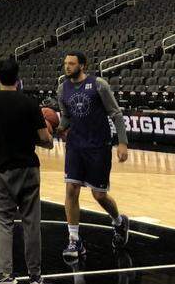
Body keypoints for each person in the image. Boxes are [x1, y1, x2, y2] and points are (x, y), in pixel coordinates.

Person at [0, 59, 53, 284]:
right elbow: (45, 139)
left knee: (3, 223)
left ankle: (6, 276)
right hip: (29, 169)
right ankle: (35, 276)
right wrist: (49, 138)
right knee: (32, 223)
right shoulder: (30, 103)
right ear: (18, 78)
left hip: (2, 171)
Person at [56, 51, 130, 260]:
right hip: (75, 146)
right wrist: (59, 127)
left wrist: (122, 142)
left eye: (71, 63)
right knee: (71, 189)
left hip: (98, 146)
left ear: (82, 65)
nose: (67, 67)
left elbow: (115, 113)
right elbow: (66, 118)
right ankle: (74, 240)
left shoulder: (98, 85)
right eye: (65, 63)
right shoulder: (62, 89)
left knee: (99, 195)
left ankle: (118, 221)